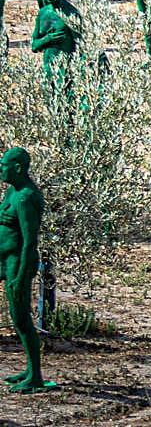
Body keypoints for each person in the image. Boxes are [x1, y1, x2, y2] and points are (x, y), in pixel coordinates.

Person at [0, 147, 54, 392]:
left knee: (20, 318)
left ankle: (35, 375)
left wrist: (21, 277)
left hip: (17, 263)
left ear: (18, 168)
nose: (1, 169)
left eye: (4, 165)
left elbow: (30, 241)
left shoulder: (25, 198)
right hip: (3, 259)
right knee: (18, 317)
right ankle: (30, 369)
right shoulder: (12, 191)